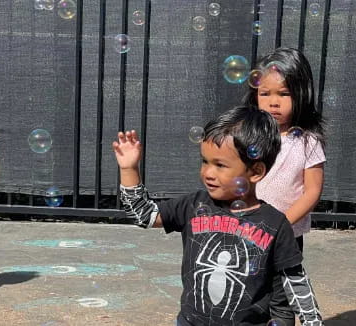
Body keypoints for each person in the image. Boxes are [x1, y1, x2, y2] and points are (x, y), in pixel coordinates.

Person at [113, 106, 323, 326]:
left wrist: (312, 321)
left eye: (220, 165)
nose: (208, 173)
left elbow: (294, 281)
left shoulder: (275, 223)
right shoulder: (193, 206)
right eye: (205, 161)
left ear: (255, 171)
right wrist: (129, 169)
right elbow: (144, 215)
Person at [243, 47, 326, 326]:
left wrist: (279, 226)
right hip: (247, 231)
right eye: (265, 94)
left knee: (281, 298)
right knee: (247, 293)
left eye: (284, 94)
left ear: (301, 94)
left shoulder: (308, 141)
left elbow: (313, 190)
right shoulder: (247, 135)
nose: (273, 102)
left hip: (286, 235)